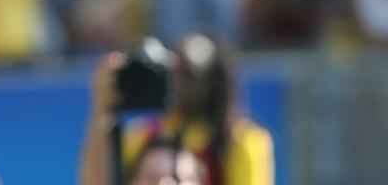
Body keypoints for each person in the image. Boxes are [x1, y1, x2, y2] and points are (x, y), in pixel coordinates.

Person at [80, 35, 273, 185]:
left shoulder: (243, 141)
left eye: (182, 180)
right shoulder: (148, 135)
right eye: (153, 179)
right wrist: (102, 109)